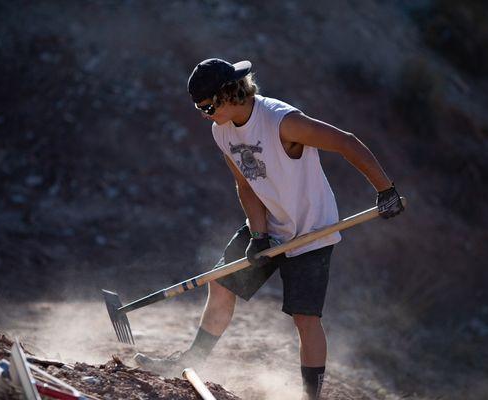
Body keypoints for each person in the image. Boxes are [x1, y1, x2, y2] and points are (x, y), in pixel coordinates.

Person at [134, 58, 404, 400]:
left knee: (305, 318)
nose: (203, 114)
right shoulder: (221, 130)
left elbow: (346, 142)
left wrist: (386, 190)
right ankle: (192, 360)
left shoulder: (282, 122)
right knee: (220, 283)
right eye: (198, 107)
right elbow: (246, 186)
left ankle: (311, 396)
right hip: (269, 222)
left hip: (311, 231)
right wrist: (259, 235)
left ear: (229, 93)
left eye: (207, 106)